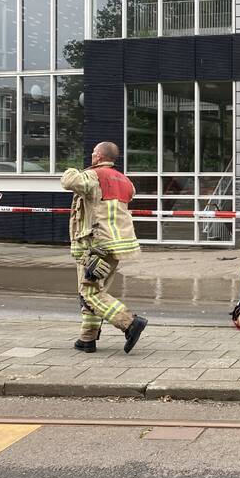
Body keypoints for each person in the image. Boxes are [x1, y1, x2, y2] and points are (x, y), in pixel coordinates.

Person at [61, 141, 148, 354]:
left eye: (93, 152)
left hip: (95, 246)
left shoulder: (93, 176)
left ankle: (129, 323)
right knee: (95, 292)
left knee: (89, 292)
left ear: (99, 155)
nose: (91, 154)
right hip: (117, 246)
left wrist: (73, 168)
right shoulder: (126, 181)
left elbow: (69, 181)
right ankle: (87, 339)